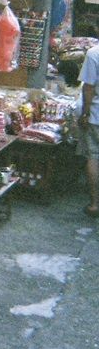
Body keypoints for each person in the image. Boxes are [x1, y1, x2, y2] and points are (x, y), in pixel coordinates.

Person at [78, 40, 99, 217]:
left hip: (97, 116)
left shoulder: (94, 53)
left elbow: (89, 88)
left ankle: (94, 204)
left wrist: (84, 113)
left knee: (93, 157)